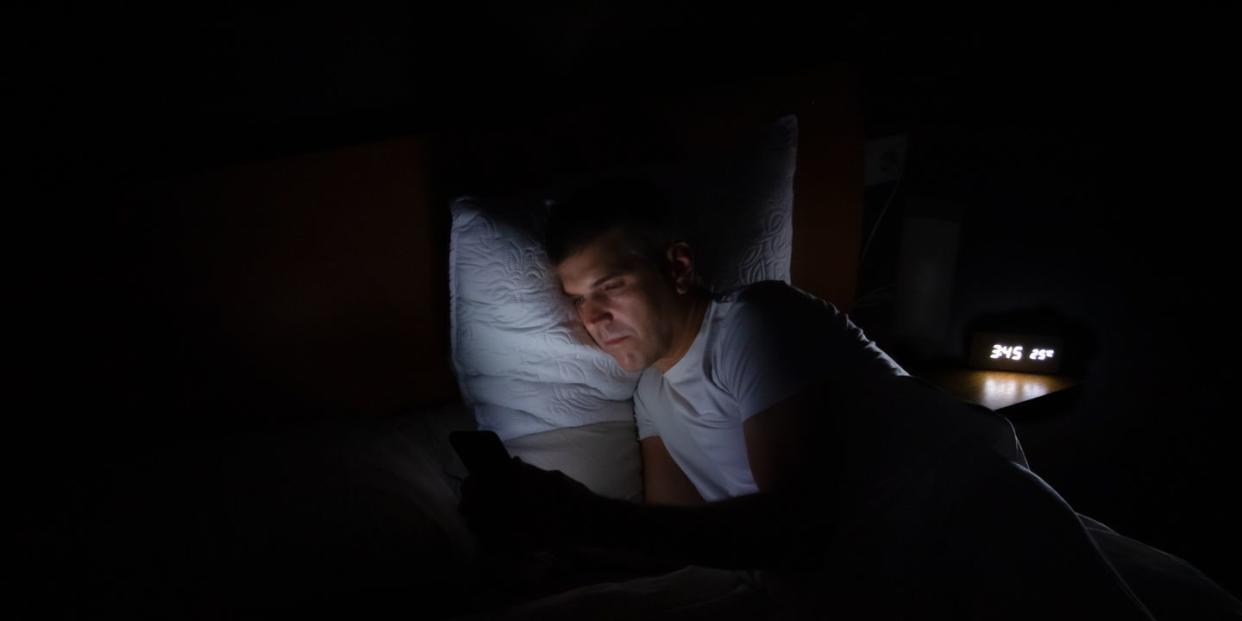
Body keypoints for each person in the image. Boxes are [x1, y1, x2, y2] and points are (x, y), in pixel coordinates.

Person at [457, 178, 1162, 619]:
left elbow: (795, 525)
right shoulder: (650, 395)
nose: (593, 317)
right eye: (578, 300)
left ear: (675, 266)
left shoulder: (754, 320)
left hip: (966, 534)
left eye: (609, 286)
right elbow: (671, 534)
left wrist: (582, 514)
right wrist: (564, 544)